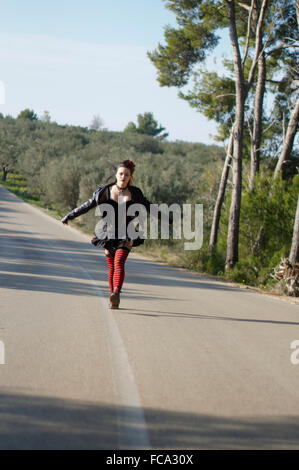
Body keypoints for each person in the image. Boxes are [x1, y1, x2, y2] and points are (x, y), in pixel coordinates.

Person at [61, 159, 152, 309]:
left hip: (127, 233)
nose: (123, 177)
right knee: (111, 266)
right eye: (121, 174)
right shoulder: (104, 192)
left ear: (130, 177)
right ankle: (112, 297)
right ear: (116, 175)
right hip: (108, 233)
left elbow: (150, 206)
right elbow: (87, 205)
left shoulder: (135, 193)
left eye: (127, 175)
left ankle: (116, 292)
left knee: (119, 263)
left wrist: (169, 219)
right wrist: (69, 216)